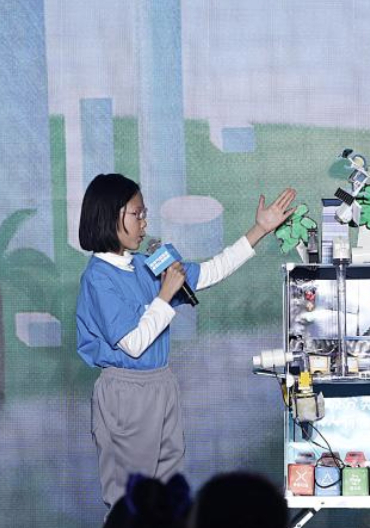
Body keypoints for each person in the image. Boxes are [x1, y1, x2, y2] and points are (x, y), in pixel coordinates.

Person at [75, 173, 295, 505]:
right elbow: (133, 344)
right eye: (137, 214)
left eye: (145, 214)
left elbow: (210, 271)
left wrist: (259, 229)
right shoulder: (98, 278)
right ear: (110, 215)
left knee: (167, 491)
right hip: (126, 390)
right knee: (130, 498)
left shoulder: (145, 265)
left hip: (161, 382)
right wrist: (165, 294)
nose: (144, 223)